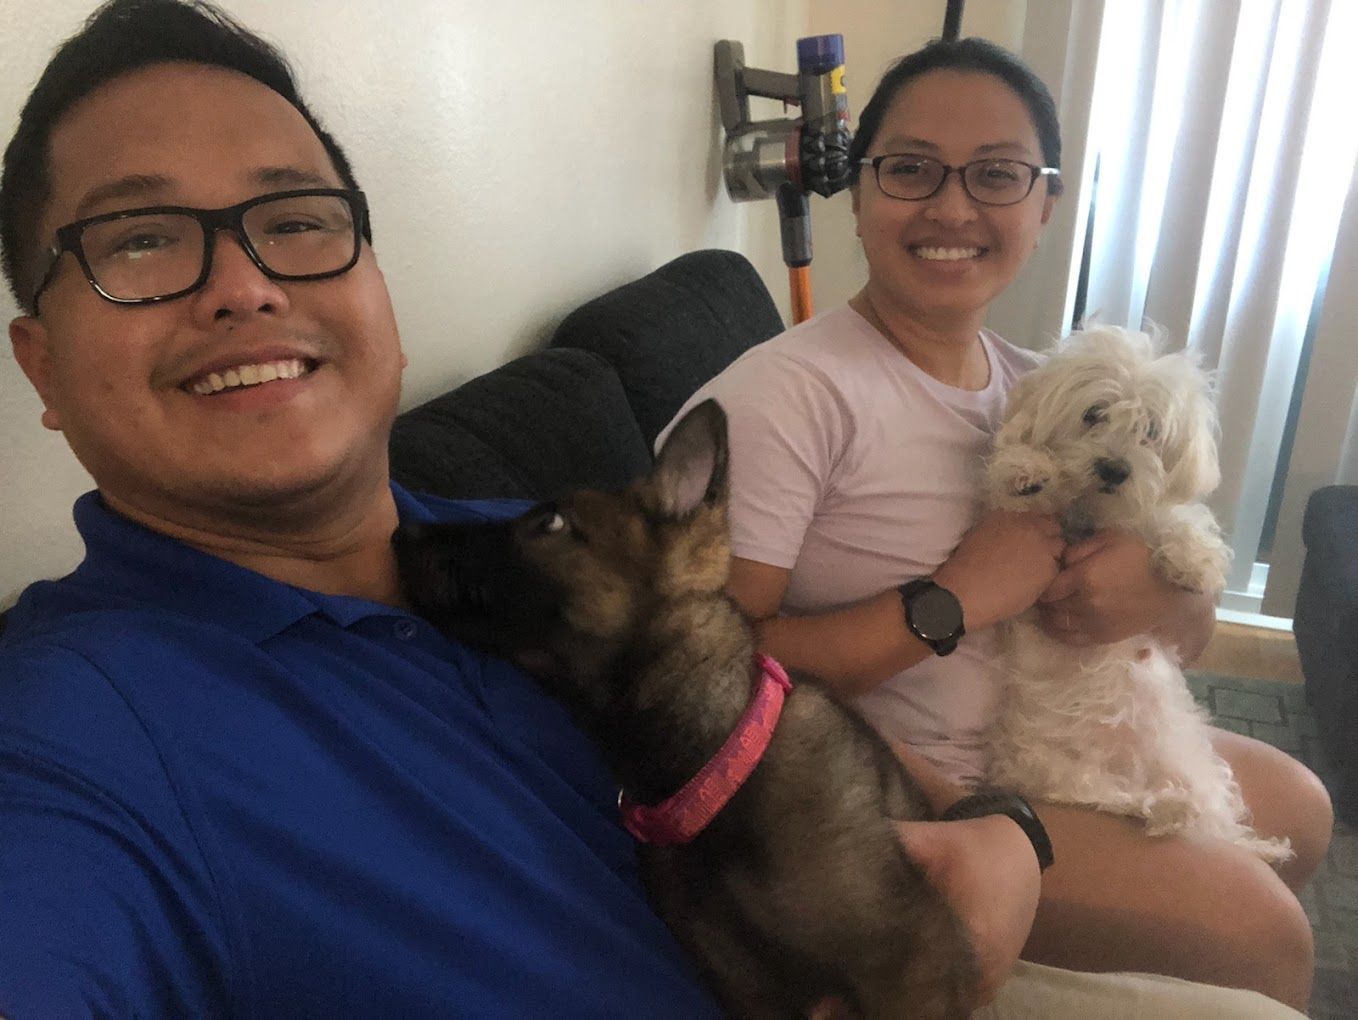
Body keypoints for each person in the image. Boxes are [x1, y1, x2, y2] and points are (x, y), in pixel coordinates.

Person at [0, 2, 1308, 1016]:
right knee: (1266, 942)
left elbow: (763, 713)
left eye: (294, 223)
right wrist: (961, 634)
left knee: (1289, 833)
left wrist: (1010, 823)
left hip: (873, 922)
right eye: (140, 241)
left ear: (373, 288)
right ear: (42, 366)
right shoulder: (82, 736)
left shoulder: (503, 539)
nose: (241, 287)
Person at [663, 37, 1333, 1013]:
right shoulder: (783, 399)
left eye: (996, 175)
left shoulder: (1039, 388)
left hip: (1051, 744)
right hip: (896, 800)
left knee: (1302, 811)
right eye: (909, 168)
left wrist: (1157, 593)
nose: (949, 206)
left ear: (1044, 203)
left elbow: (1182, 634)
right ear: (859, 188)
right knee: (1264, 936)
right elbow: (698, 674)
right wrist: (945, 603)